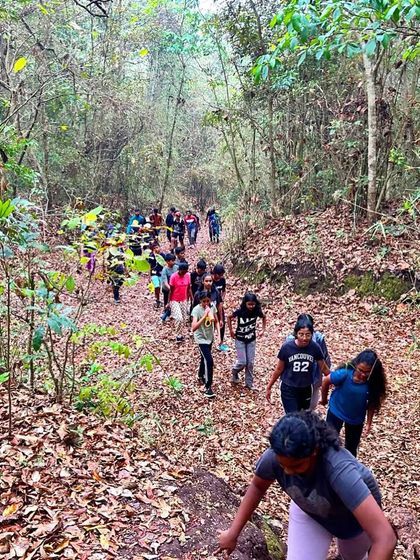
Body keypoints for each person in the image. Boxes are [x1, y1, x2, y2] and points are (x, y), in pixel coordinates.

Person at [218, 411, 396, 560]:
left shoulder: (340, 472)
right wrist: (233, 533)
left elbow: (385, 538)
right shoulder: (275, 457)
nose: (287, 472)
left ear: (314, 452)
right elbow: (257, 487)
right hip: (309, 510)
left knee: (353, 557)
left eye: (296, 466)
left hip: (353, 523)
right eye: (283, 466)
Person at [320, 349, 387, 458]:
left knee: (351, 448)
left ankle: (348, 469)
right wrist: (324, 399)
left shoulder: (372, 383)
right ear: (355, 365)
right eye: (360, 370)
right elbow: (326, 381)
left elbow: (372, 403)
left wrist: (369, 422)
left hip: (355, 419)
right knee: (329, 441)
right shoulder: (345, 374)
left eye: (367, 372)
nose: (363, 374)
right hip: (336, 411)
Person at [266, 315, 330, 413]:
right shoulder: (287, 347)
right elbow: (279, 369)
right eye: (301, 334)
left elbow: (324, 368)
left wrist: (338, 380)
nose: (304, 338)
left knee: (303, 416)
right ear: (296, 334)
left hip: (306, 387)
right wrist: (269, 386)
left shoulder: (315, 347)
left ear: (312, 334)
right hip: (289, 387)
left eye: (308, 335)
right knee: (292, 416)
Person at [285, 313, 331, 410]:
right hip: (293, 379)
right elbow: (284, 360)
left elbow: (325, 358)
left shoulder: (318, 338)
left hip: (313, 377)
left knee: (310, 406)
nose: (304, 338)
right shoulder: (290, 340)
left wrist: (330, 377)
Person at [228, 292, 267, 391]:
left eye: (253, 304)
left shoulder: (257, 311)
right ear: (245, 303)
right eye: (249, 304)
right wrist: (231, 330)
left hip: (251, 339)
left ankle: (249, 384)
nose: (251, 306)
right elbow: (229, 317)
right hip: (240, 339)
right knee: (242, 361)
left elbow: (264, 317)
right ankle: (234, 371)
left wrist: (263, 329)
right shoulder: (240, 311)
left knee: (250, 363)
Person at [191, 290, 220, 399]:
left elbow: (216, 321)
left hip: (209, 337)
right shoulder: (196, 310)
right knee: (209, 360)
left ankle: (200, 374)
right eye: (204, 301)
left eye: (208, 301)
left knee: (204, 357)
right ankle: (208, 387)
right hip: (201, 339)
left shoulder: (212, 307)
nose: (206, 303)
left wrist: (219, 336)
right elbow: (193, 328)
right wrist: (204, 316)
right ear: (200, 301)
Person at [168, 262, 192, 343]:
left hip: (184, 299)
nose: (184, 273)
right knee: (179, 318)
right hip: (174, 300)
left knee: (184, 319)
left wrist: (191, 298)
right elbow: (171, 290)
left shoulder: (188, 276)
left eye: (185, 271)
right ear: (179, 270)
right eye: (183, 271)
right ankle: (177, 335)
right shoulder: (173, 277)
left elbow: (189, 288)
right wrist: (168, 302)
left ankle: (181, 334)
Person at [212, 264, 228, 351]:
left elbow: (224, 290)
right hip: (210, 305)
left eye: (222, 275)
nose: (220, 277)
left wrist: (222, 298)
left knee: (222, 322)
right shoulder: (209, 280)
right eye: (219, 275)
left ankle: (220, 342)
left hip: (219, 304)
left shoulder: (222, 280)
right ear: (214, 273)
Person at [160, 253, 178, 321]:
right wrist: (171, 289)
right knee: (166, 301)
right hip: (166, 289)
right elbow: (165, 282)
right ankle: (165, 313)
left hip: (175, 288)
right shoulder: (165, 270)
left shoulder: (176, 267)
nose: (173, 262)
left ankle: (173, 313)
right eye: (172, 261)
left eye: (174, 260)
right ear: (167, 261)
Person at [147, 242, 165, 308]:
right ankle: (157, 299)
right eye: (154, 248)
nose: (156, 249)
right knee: (156, 286)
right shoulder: (151, 256)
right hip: (154, 273)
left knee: (160, 287)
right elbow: (150, 266)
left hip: (161, 273)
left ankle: (160, 299)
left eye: (157, 247)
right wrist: (149, 276)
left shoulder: (163, 255)